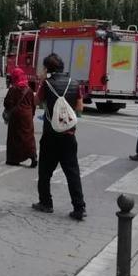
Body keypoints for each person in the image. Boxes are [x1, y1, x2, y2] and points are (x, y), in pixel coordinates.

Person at [33, 53, 86, 220]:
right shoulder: (75, 83)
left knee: (45, 171)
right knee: (72, 172)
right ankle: (79, 208)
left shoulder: (47, 84)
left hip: (51, 134)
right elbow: (80, 107)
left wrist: (42, 81)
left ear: (47, 68)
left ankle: (46, 203)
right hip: (69, 134)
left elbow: (36, 102)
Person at [4, 67, 37, 167]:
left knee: (15, 138)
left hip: (15, 116)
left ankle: (14, 159)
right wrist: (32, 114)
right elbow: (33, 104)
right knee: (28, 136)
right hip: (27, 115)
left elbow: (6, 103)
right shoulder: (29, 90)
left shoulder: (13, 89)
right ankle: (32, 156)